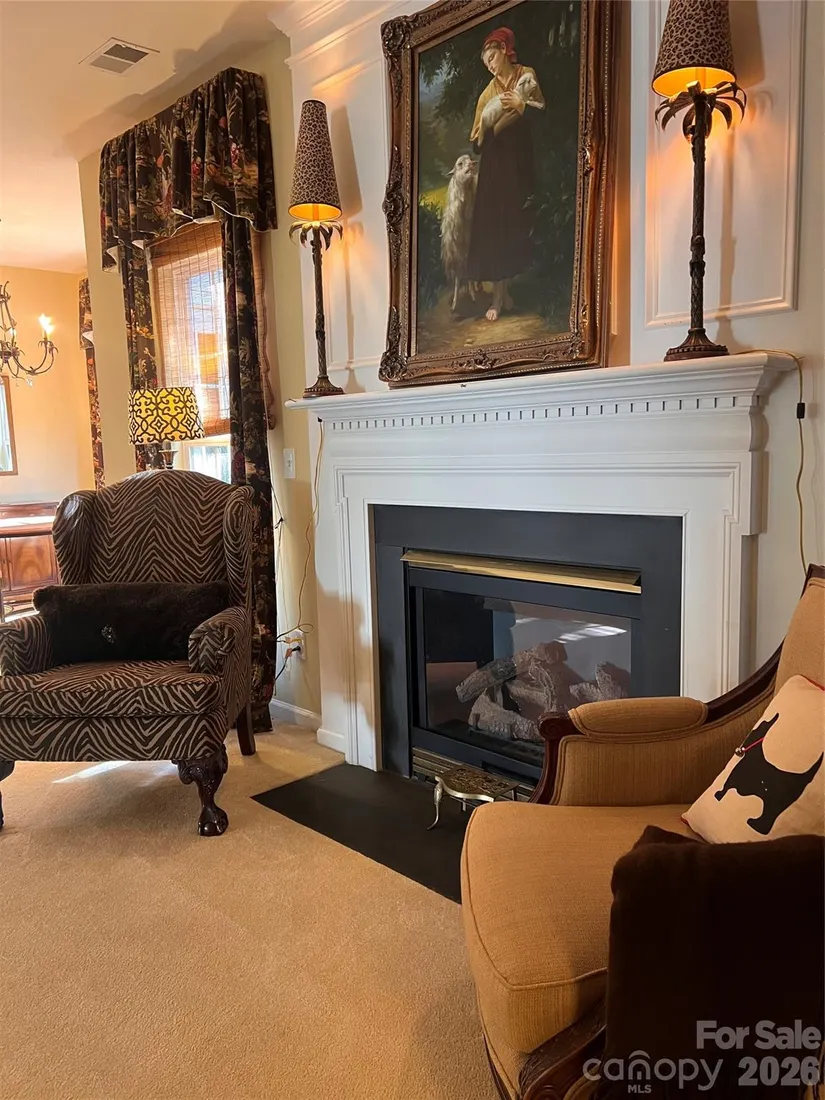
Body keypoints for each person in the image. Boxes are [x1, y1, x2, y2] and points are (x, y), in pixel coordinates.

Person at [465, 27, 545, 322]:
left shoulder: (526, 75)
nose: (490, 66)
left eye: (492, 58)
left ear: (503, 50)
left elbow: (541, 113)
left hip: (520, 160)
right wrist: (495, 127)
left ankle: (508, 291)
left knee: (514, 223)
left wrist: (522, 107)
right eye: (486, 63)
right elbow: (477, 144)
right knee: (495, 227)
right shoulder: (488, 94)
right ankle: (498, 297)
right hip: (495, 165)